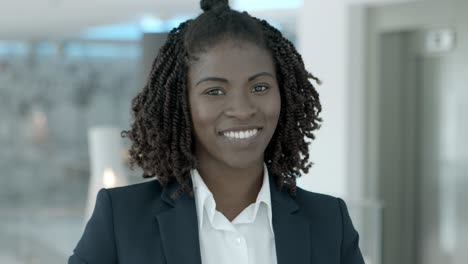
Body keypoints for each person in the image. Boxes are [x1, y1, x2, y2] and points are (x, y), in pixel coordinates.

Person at [69, 0, 365, 263]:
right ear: (181, 103)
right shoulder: (121, 218)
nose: (242, 109)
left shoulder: (329, 222)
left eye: (260, 87)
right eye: (215, 91)